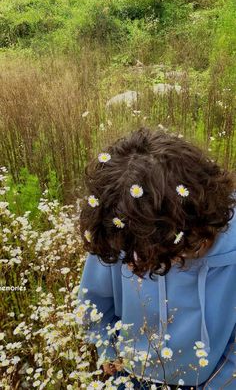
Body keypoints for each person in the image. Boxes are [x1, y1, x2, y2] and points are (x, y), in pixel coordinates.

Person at [76, 127, 236, 389]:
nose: (133, 265)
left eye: (149, 255)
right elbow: (94, 302)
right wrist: (107, 348)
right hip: (128, 374)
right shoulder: (126, 226)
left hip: (215, 379)